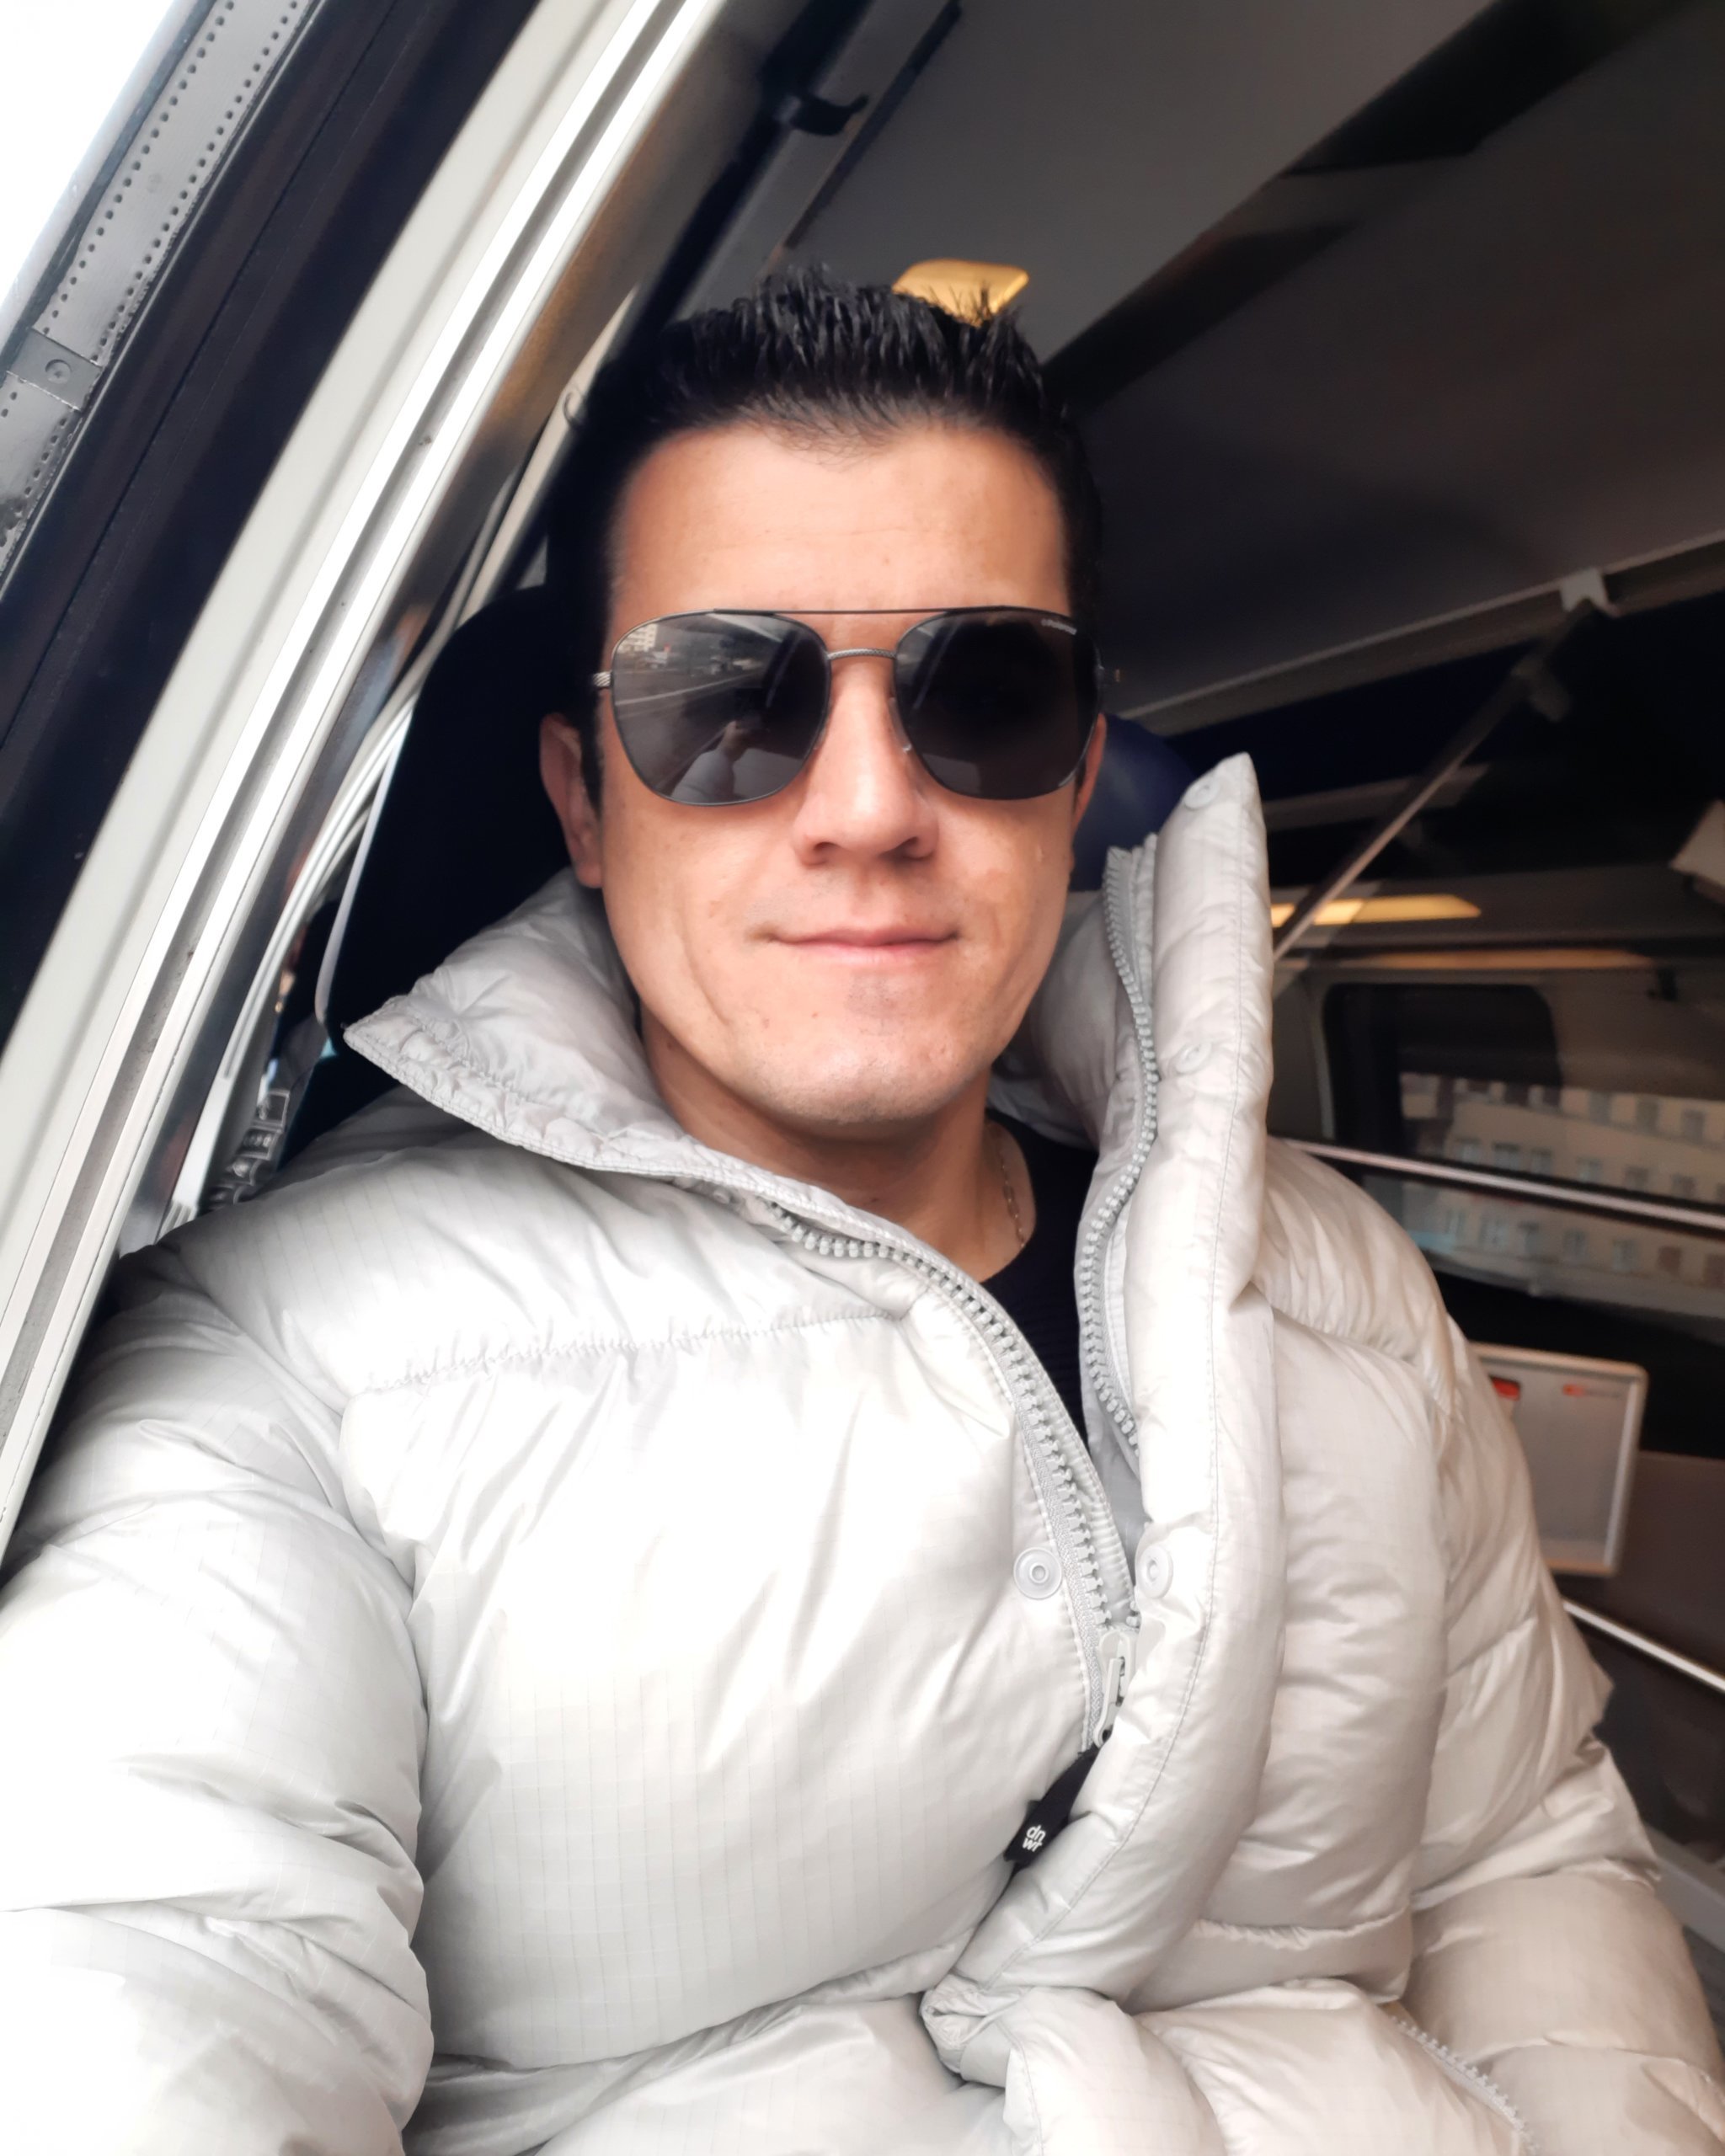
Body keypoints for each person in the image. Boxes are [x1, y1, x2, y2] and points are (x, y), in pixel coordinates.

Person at [0, 272, 1719, 2156]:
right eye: (725, 703)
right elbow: (147, 1979)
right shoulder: (275, 1376)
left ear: (1076, 776)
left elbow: (1523, 1858)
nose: (870, 807)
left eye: (984, 696)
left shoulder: (1342, 1285)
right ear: (587, 802)